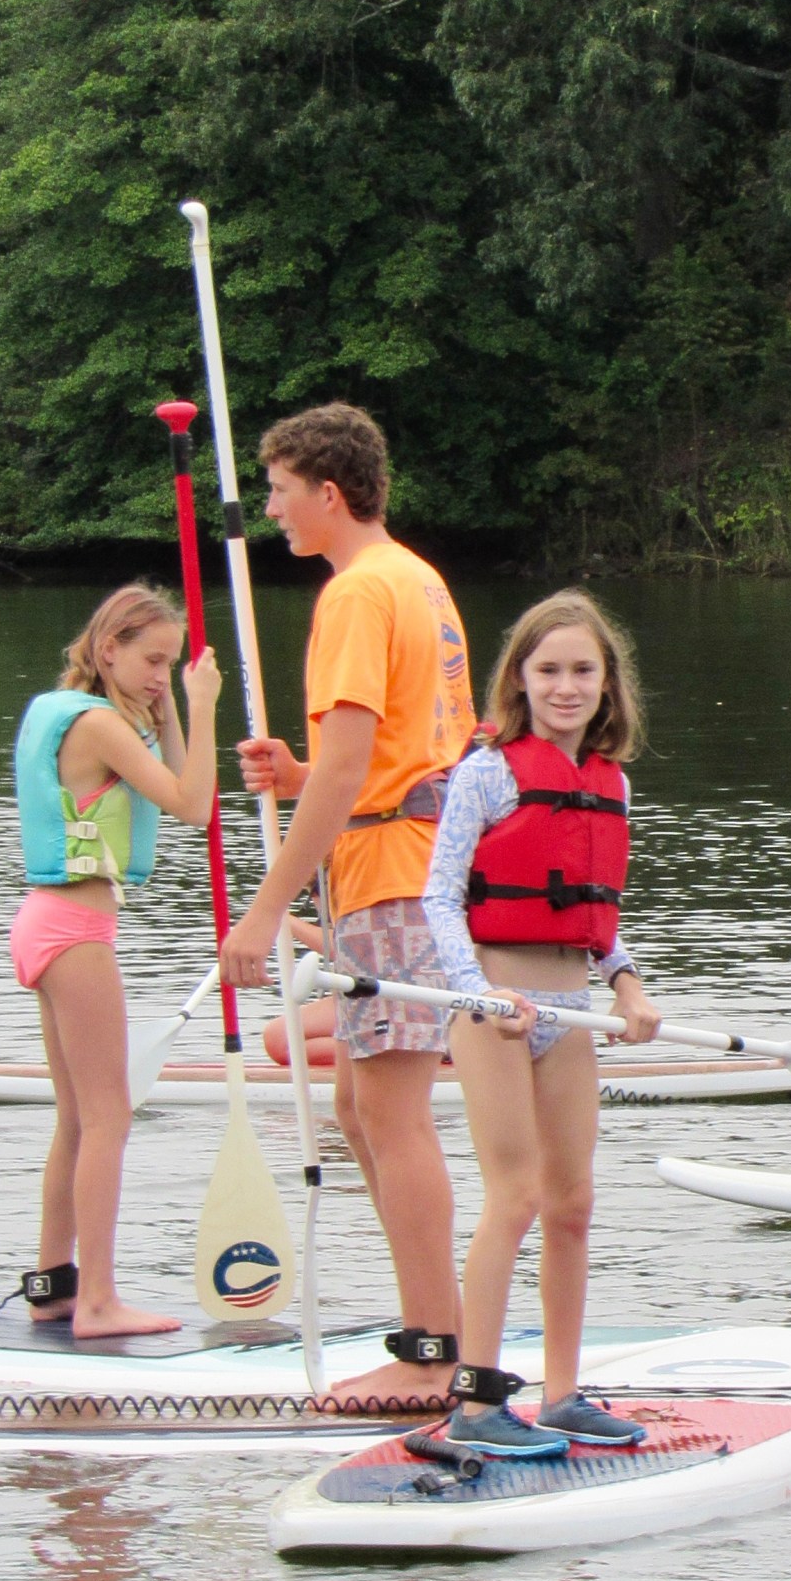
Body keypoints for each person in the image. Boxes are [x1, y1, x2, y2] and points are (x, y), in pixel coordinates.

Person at [216, 403, 478, 1404]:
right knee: (357, 1105)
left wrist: (261, 911)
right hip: (411, 863)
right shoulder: (418, 578)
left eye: (279, 490)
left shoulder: (360, 596)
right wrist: (293, 772)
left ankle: (434, 1354)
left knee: (393, 1112)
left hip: (396, 878)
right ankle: (432, 1326)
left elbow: (355, 764)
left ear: (329, 494)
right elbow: (370, 758)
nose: (271, 509)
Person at [422, 590, 662, 1457]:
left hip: (569, 1007)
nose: (566, 687)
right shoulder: (487, 772)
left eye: (582, 671)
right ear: (520, 680)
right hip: (490, 1007)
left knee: (573, 1203)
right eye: (549, 670)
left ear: (607, 686)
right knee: (516, 1196)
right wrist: (472, 990)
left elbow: (596, 912)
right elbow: (440, 896)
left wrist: (627, 986)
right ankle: (477, 1401)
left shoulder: (612, 782)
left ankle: (562, 1394)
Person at [12, 584, 221, 1338]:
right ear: (109, 650)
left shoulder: (66, 711)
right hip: (74, 930)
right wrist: (202, 706)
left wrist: (167, 712)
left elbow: (175, 786)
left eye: (171, 664)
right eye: (151, 660)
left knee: (76, 1120)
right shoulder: (99, 725)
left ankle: (53, 1284)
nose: (161, 675)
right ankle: (97, 1299)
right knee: (108, 1119)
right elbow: (195, 804)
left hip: (45, 922)